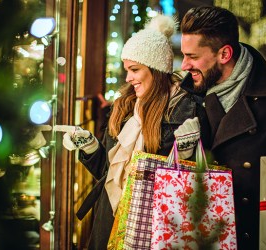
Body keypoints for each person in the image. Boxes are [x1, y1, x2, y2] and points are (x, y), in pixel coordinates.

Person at [179, 5, 266, 250]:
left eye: (192, 57)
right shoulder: (185, 98)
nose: (184, 65)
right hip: (203, 237)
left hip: (263, 237)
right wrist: (184, 153)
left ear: (224, 54)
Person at [55, 14, 203, 249]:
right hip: (110, 222)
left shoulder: (186, 109)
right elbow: (107, 172)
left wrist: (184, 156)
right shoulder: (123, 107)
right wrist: (90, 146)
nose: (128, 77)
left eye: (134, 69)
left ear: (155, 69)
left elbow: (189, 187)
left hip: (155, 228)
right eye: (127, 69)